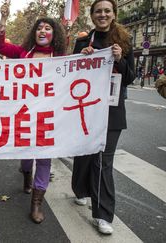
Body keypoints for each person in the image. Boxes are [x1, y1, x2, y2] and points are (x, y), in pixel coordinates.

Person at [0, 2, 66, 224]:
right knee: (26, 154)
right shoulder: (23, 53)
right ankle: (26, 173)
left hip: (48, 115)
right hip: (25, 114)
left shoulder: (62, 56)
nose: (42, 31)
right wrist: (3, 20)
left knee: (44, 159)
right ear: (34, 32)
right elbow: (0, 47)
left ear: (54, 34)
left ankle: (36, 202)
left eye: (47, 28)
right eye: (39, 28)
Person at [71, 0, 135, 235]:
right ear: (92, 15)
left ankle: (103, 214)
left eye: (107, 11)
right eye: (98, 11)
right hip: (85, 109)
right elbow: (70, 75)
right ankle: (80, 190)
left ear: (113, 14)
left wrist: (119, 59)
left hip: (112, 111)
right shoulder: (81, 42)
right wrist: (81, 58)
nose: (103, 14)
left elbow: (130, 78)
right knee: (85, 154)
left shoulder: (125, 42)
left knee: (102, 162)